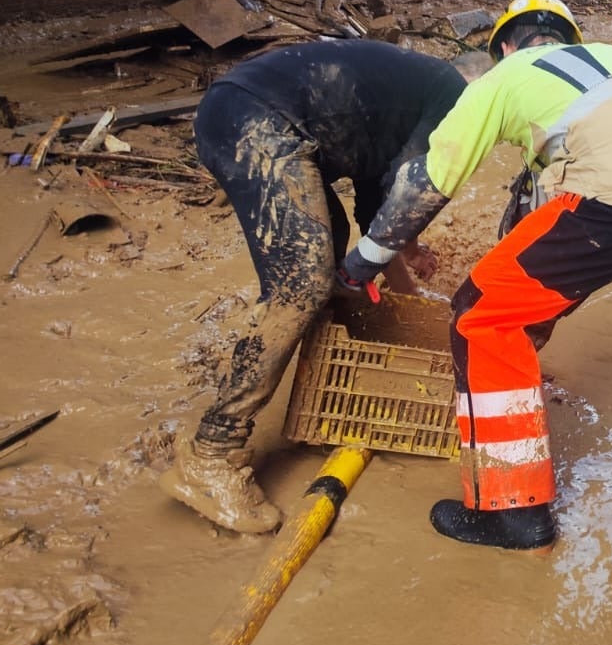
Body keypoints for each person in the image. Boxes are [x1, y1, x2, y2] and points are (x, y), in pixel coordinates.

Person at [336, 0, 612, 551]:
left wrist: (366, 260)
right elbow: (544, 223)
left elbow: (432, 179)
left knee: (481, 316)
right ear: (569, 39)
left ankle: (514, 512)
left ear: (505, 44)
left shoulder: (505, 78)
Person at [162, 40, 470, 532]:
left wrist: (408, 300)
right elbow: (407, 202)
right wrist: (410, 293)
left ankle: (316, 365)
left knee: (332, 245)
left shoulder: (421, 101)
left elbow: (377, 216)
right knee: (303, 280)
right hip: (254, 119)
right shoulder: (456, 105)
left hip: (253, 112)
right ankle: (211, 453)